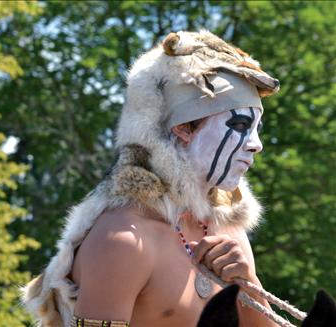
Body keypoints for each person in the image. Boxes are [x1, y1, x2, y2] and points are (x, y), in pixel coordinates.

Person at [21, 30, 281, 327]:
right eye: (239, 125)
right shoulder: (124, 240)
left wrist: (249, 282)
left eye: (257, 128)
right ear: (184, 128)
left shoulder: (230, 234)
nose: (255, 144)